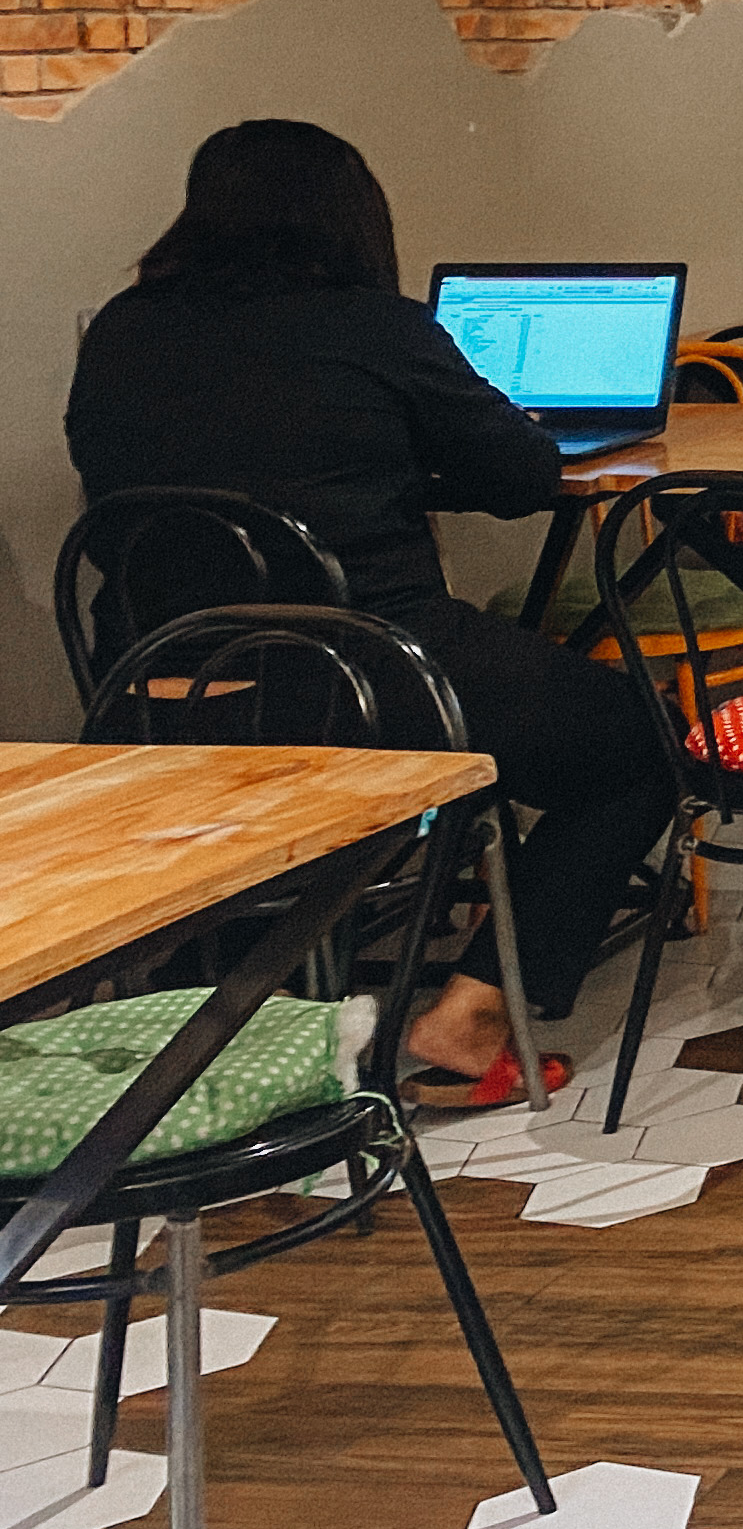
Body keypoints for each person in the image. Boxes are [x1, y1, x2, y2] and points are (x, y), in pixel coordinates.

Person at [66, 118, 674, 1105]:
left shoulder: (122, 330)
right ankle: (467, 1016)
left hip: (154, 687)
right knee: (636, 745)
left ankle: (235, 1011)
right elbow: (523, 476)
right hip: (363, 678)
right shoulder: (375, 328)